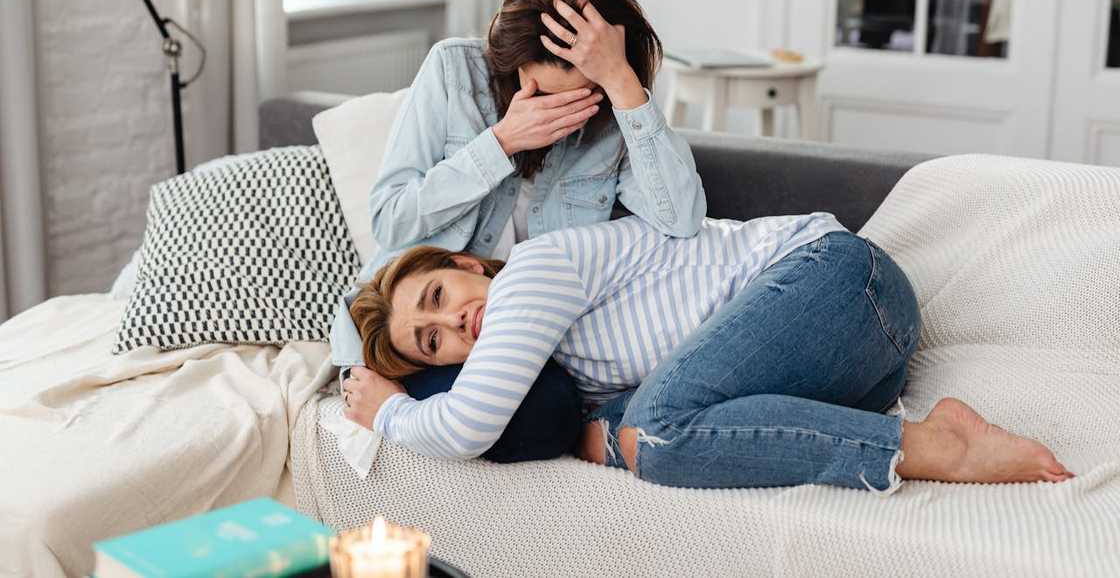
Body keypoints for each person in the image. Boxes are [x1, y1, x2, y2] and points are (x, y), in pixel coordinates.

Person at [341, 213, 1076, 494]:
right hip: (855, 368)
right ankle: (921, 427)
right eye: (430, 342)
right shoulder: (553, 363)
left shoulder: (530, 274)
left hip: (839, 280)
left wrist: (391, 413)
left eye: (437, 295)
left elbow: (467, 426)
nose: (455, 324)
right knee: (638, 434)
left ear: (467, 266)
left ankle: (931, 445)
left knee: (654, 430)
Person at [330, 0, 707, 390]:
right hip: (429, 335)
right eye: (542, 93)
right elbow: (391, 219)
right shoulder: (456, 71)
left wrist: (623, 84)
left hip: (528, 333)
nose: (557, 113)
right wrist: (501, 143)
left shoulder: (617, 116)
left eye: (580, 98)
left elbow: (683, 219)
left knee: (547, 406)